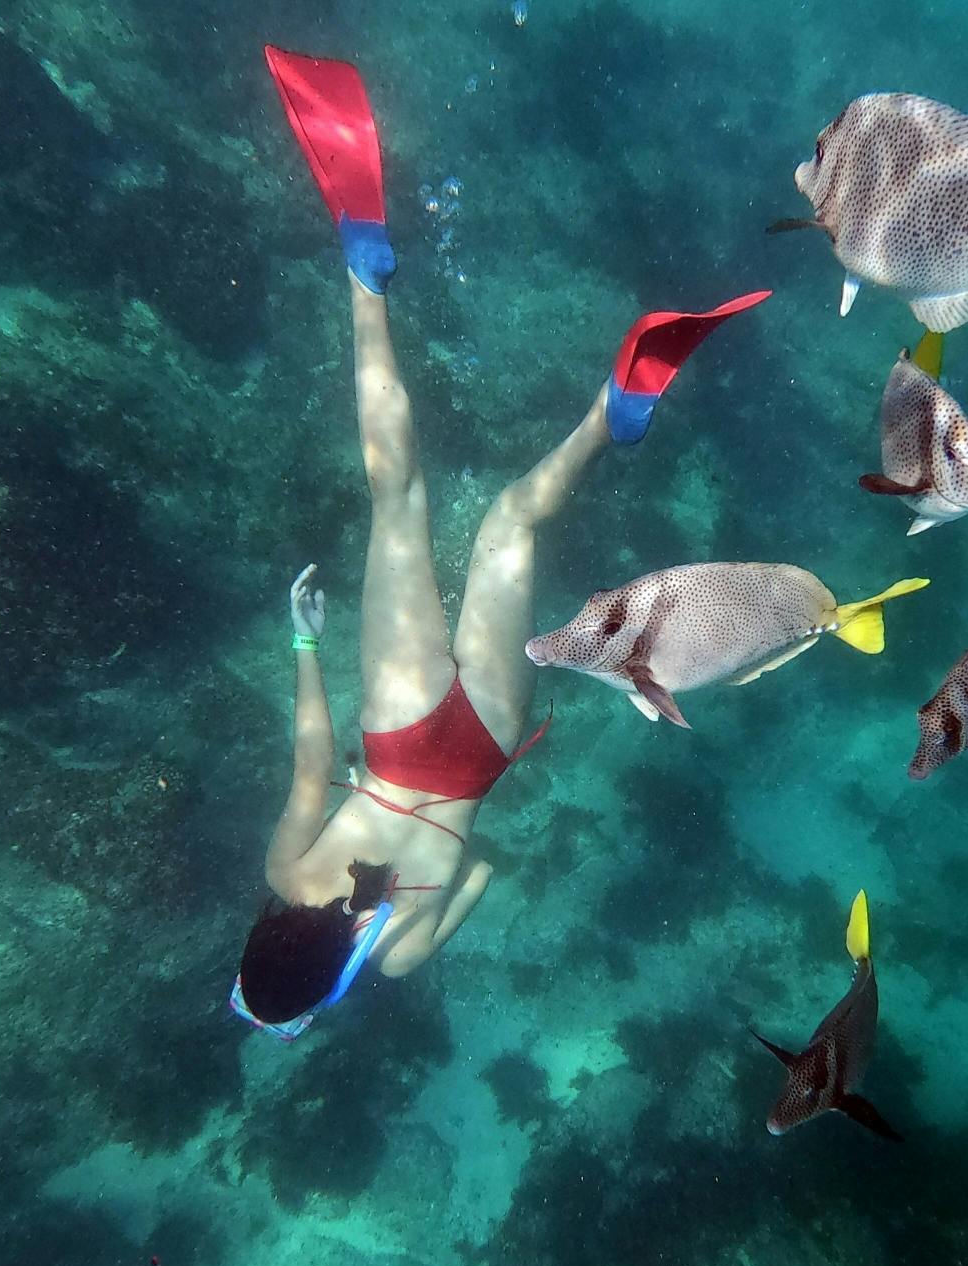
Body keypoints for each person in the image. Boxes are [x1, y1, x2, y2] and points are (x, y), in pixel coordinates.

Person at [232, 47, 768, 1038]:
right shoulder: (281, 873)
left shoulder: (395, 956)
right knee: (399, 498)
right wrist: (303, 639)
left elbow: (479, 868)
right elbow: (312, 763)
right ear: (263, 935)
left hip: (476, 743)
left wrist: (428, 874)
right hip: (390, 728)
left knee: (512, 524)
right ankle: (363, 275)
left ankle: (610, 417)